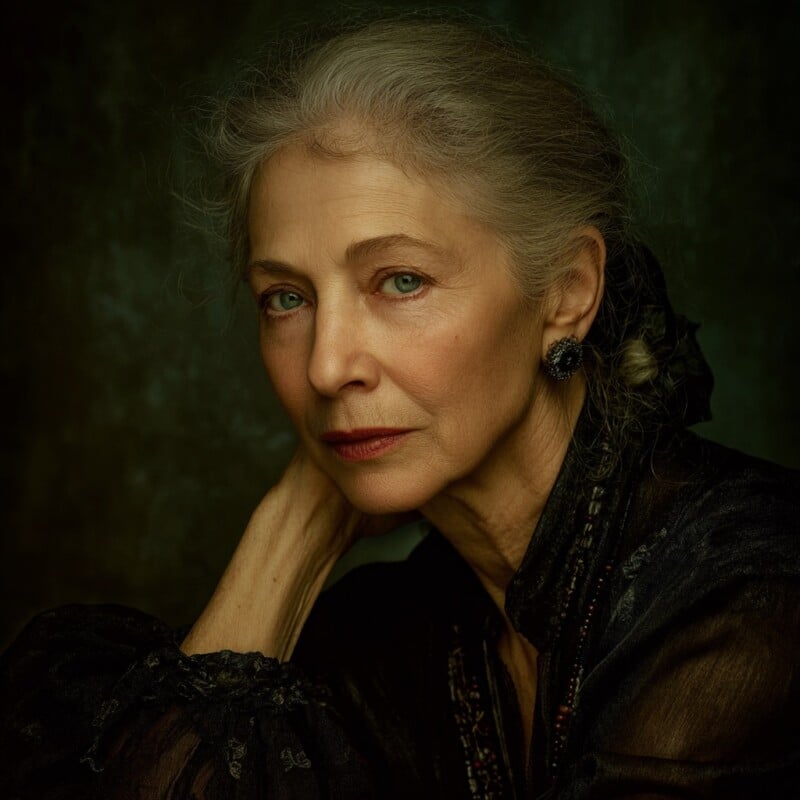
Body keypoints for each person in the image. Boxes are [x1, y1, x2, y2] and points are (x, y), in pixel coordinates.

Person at [1, 14, 798, 800]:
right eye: (286, 297)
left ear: (567, 292)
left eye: (401, 281)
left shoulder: (752, 593)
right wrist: (295, 525)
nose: (326, 366)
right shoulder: (386, 637)